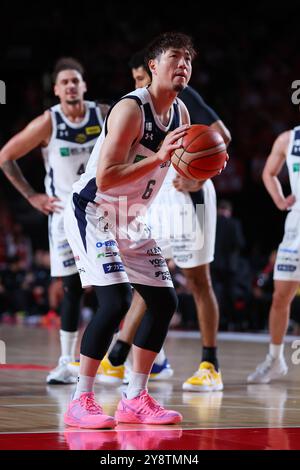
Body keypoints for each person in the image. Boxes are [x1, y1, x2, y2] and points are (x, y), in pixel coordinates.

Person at [63, 32, 197, 429]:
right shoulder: (130, 109)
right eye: (175, 57)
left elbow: (173, 169)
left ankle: (134, 398)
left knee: (164, 303)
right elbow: (105, 178)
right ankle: (79, 399)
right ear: (153, 65)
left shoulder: (183, 115)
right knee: (116, 301)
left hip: (133, 216)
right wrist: (159, 156)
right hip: (94, 209)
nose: (184, 65)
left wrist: (195, 172)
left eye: (189, 59)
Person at [86, 48, 231, 391]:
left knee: (197, 279)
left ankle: (210, 363)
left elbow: (221, 137)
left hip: (190, 198)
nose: (139, 84)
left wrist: (200, 177)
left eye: (141, 77)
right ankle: (123, 354)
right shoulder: (139, 107)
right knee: (151, 275)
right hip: (160, 198)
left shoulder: (183, 98)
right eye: (136, 78)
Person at [0, 57, 108, 384]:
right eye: (65, 82)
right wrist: (32, 197)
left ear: (84, 85)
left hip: (102, 211)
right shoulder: (49, 122)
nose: (72, 86)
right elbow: (5, 157)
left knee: (112, 286)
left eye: (76, 80)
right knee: (71, 288)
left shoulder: (103, 114)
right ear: (57, 90)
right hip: (63, 215)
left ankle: (117, 361)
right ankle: (66, 361)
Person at [247, 126, 299, 383]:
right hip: (295, 227)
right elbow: (269, 173)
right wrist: (280, 200)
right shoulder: (288, 139)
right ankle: (276, 359)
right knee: (280, 296)